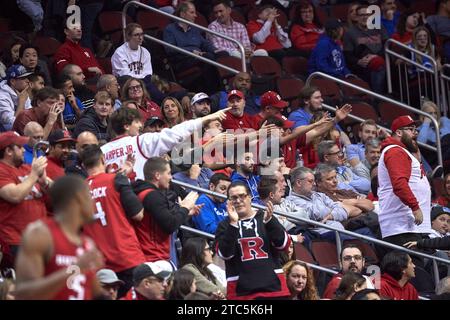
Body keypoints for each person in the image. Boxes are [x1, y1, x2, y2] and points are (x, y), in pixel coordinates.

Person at [14, 175, 105, 300]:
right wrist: (75, 269)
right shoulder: (39, 234)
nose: (93, 202)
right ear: (79, 198)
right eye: (89, 196)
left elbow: (97, 294)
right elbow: (24, 294)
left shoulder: (87, 243)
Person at [80, 145, 145, 296]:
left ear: (83, 165)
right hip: (127, 257)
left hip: (99, 266)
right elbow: (138, 214)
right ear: (103, 159)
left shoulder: (78, 190)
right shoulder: (116, 180)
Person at [101, 106, 229, 180]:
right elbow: (175, 133)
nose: (140, 125)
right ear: (126, 126)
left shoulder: (102, 151)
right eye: (136, 122)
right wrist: (205, 119)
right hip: (139, 200)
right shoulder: (141, 141)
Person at [215, 181, 291, 299]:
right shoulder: (225, 225)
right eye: (233, 198)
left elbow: (284, 245)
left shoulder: (266, 217)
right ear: (228, 202)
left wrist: (270, 222)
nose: (238, 201)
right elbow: (224, 254)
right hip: (241, 293)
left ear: (250, 197)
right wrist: (233, 224)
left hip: (274, 289)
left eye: (242, 196)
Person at [378, 115, 432, 255]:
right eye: (410, 129)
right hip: (402, 226)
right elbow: (399, 184)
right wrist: (415, 207)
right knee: (413, 271)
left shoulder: (402, 151)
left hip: (411, 226)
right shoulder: (395, 151)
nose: (415, 132)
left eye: (416, 129)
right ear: (399, 132)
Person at [132, 157, 202, 262]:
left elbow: (163, 218)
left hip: (151, 256)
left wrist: (186, 211)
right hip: (154, 258)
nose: (171, 178)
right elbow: (170, 225)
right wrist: (185, 207)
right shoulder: (152, 196)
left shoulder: (145, 193)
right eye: (168, 173)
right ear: (157, 175)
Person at [0, 131, 50, 267]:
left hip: (41, 239)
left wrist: (45, 182)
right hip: (17, 241)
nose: (24, 150)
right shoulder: (2, 170)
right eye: (20, 147)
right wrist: (34, 175)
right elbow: (14, 196)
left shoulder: (27, 168)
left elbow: (56, 194)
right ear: (8, 151)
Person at [343, 4, 388, 93]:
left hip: (382, 58)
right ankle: (378, 96)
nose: (365, 17)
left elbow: (387, 45)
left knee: (379, 62)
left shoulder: (379, 27)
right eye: (361, 15)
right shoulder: (350, 33)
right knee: (377, 64)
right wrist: (358, 61)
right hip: (364, 65)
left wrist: (375, 56)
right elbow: (348, 55)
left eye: (367, 15)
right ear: (357, 17)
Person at [0, 64, 32, 131]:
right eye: (23, 78)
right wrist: (21, 103)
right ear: (12, 81)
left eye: (27, 77)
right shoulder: (2, 97)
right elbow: (12, 125)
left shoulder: (22, 92)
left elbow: (30, 118)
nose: (28, 81)